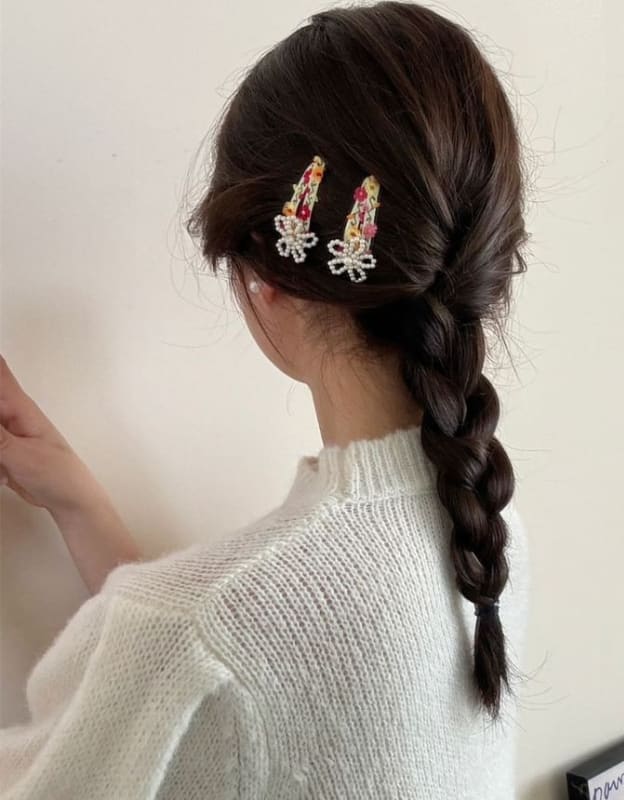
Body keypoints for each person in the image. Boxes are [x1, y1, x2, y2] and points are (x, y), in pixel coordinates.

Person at [0, 3, 534, 797]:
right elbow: (238, 678)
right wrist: (80, 506)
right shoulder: (489, 535)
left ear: (268, 277)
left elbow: (206, 655)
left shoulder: (197, 630)